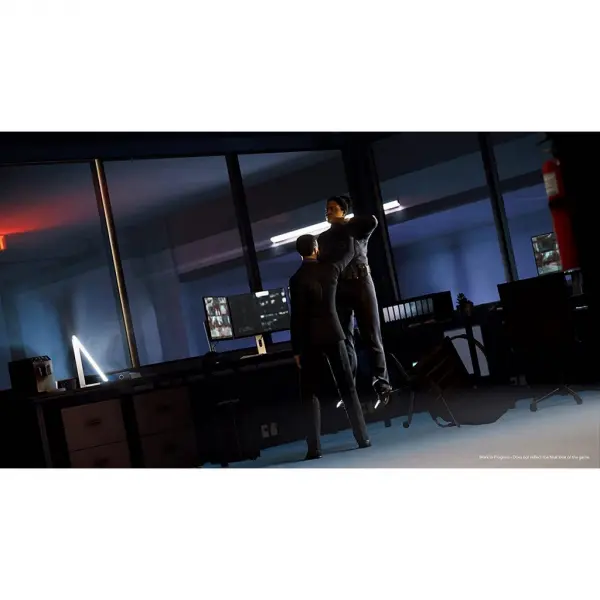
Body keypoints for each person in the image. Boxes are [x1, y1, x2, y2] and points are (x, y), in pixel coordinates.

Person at [289, 233, 371, 460]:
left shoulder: (296, 280)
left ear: (299, 253)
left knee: (310, 394)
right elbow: (349, 253)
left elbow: (296, 318)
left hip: (310, 340)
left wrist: (296, 350)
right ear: (316, 248)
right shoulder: (331, 269)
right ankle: (363, 438)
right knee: (348, 387)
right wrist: (348, 233)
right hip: (334, 334)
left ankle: (314, 449)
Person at [318, 195, 393, 405]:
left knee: (372, 335)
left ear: (343, 211)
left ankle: (382, 384)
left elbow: (372, 221)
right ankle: (348, 390)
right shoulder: (324, 238)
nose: (328, 211)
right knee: (344, 340)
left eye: (333, 208)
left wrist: (344, 221)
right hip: (340, 288)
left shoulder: (356, 228)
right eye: (327, 208)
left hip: (361, 283)